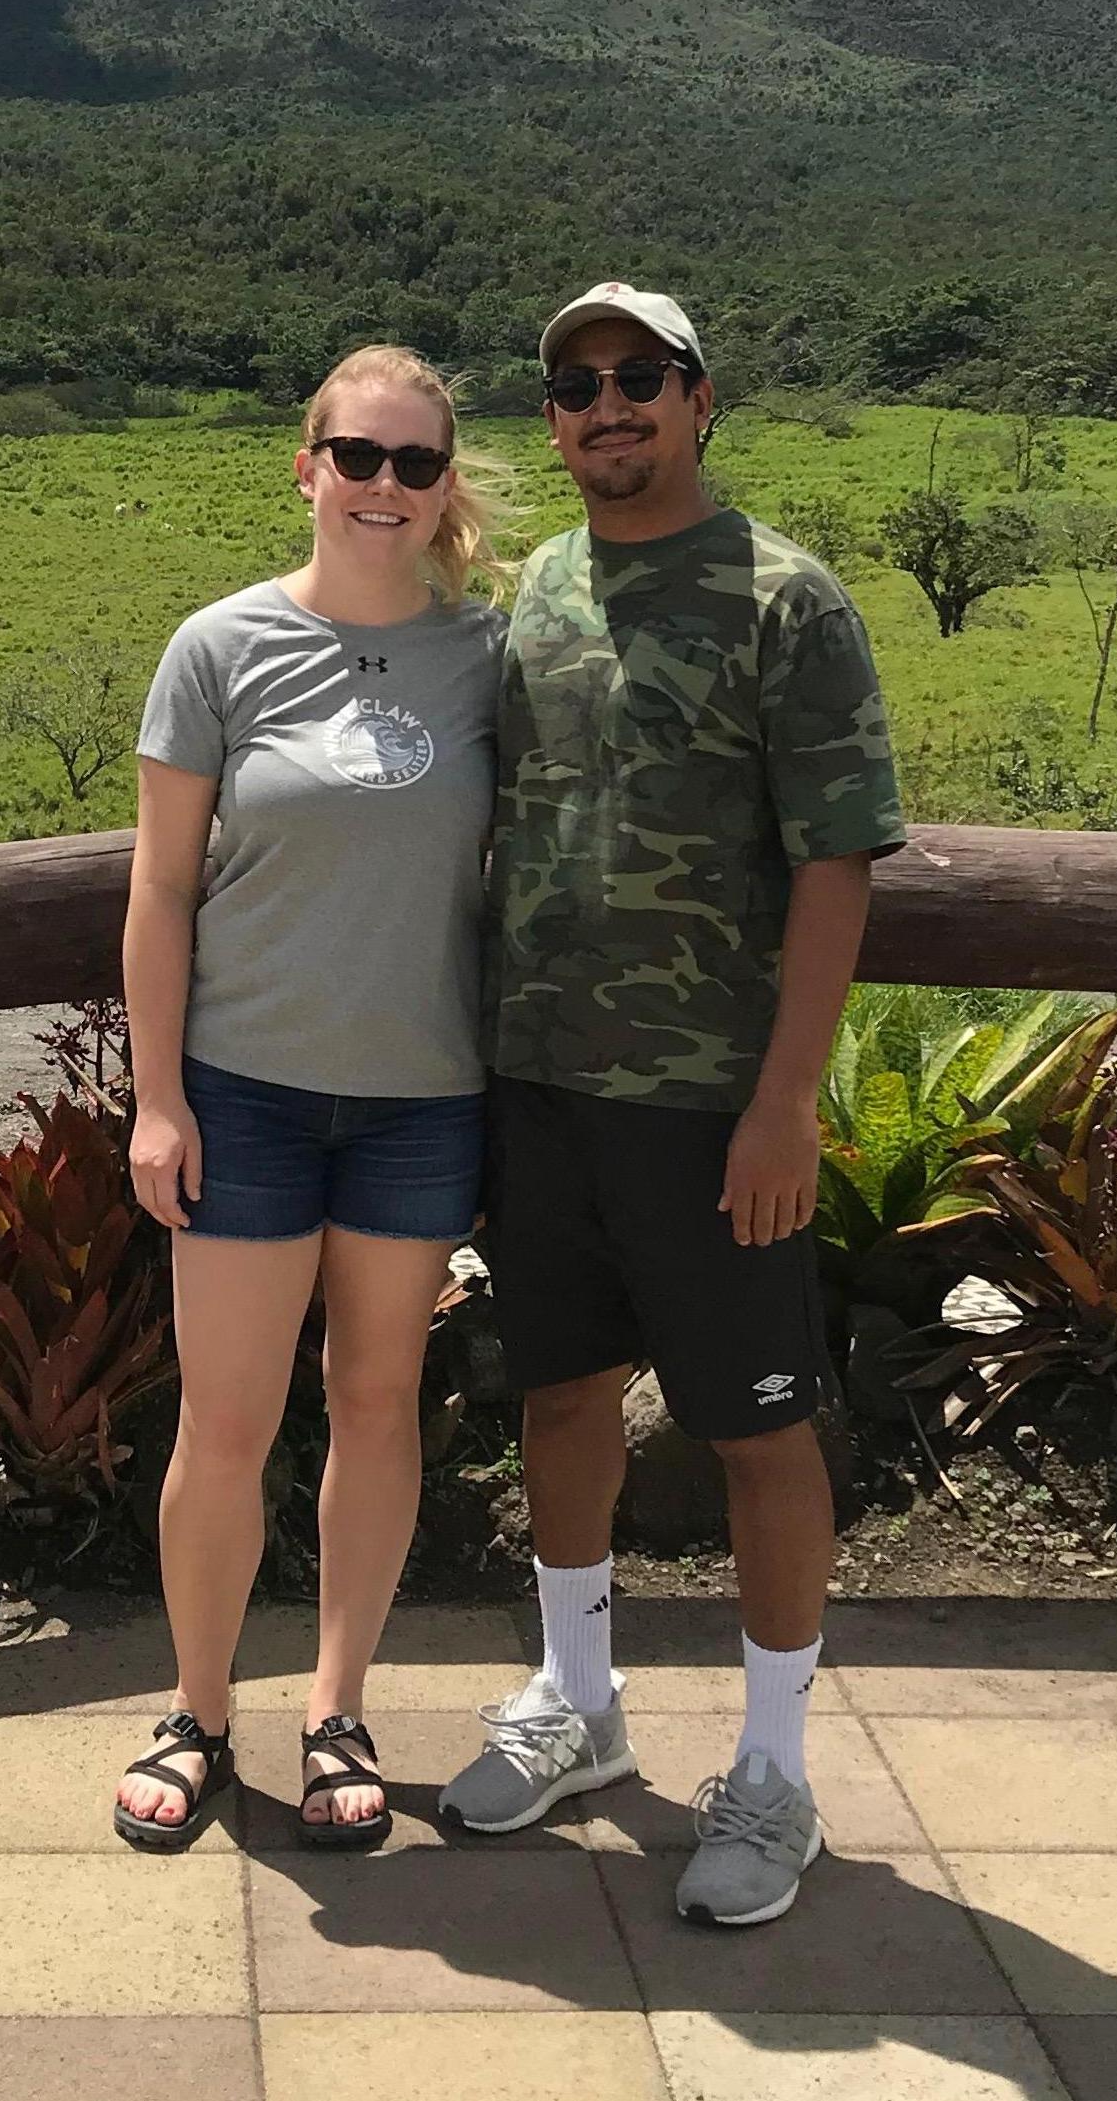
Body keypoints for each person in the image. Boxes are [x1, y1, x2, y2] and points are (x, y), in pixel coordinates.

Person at [442, 281, 904, 1928]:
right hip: (543, 1089)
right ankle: (580, 1702)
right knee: (561, 1400)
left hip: (713, 1104)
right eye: (575, 384)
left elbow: (837, 861)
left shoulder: (788, 600)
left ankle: (772, 1772)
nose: (606, 405)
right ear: (551, 418)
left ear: (703, 399)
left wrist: (788, 1103)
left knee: (755, 1427)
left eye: (640, 376)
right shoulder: (536, 589)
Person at [109, 344, 508, 1853]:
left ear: (444, 482)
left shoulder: (486, 659)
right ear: (306, 467)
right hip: (247, 1092)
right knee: (225, 1418)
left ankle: (339, 1703)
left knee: (376, 1400)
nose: (384, 487)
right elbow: (157, 889)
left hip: (419, 1097)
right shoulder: (216, 649)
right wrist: (158, 1101)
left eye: (416, 463)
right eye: (358, 456)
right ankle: (196, 1710)